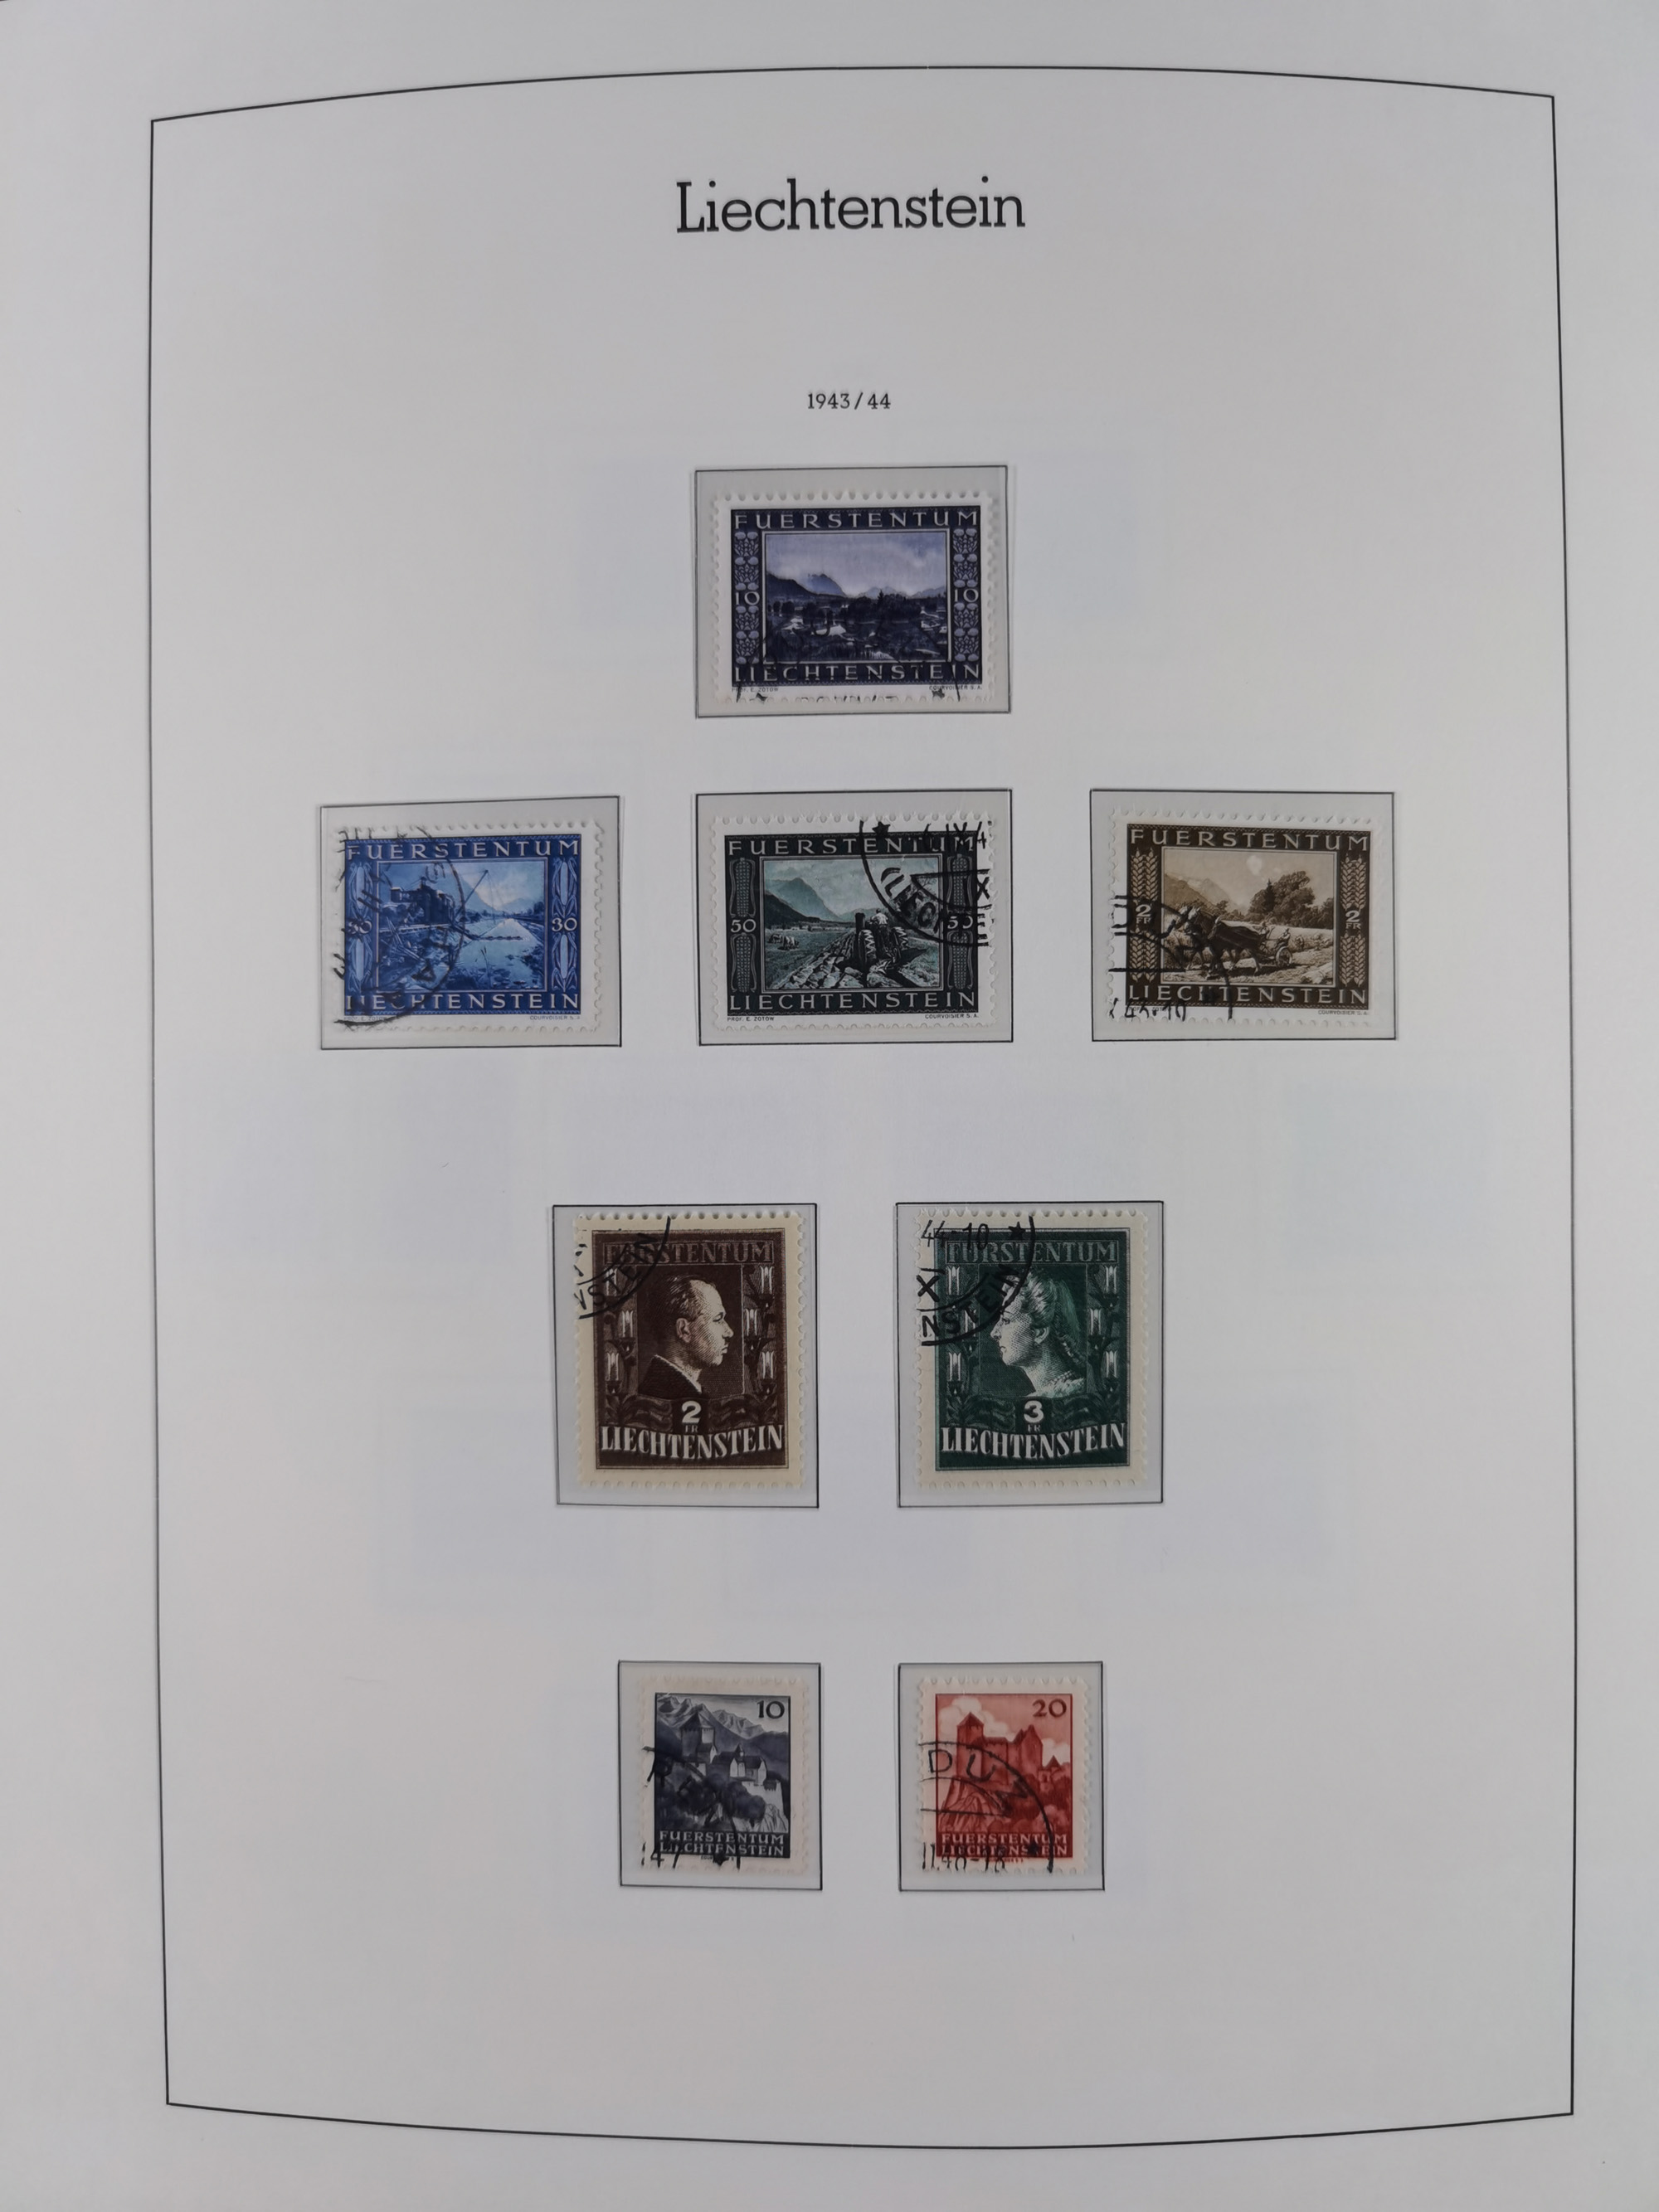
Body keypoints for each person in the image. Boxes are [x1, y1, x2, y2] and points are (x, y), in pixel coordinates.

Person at [988, 1271, 1086, 1399]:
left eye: (1006, 1320)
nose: (994, 1333)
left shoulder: (1076, 1396)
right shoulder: (1046, 1396)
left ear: (1040, 1333)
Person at [639, 1277, 734, 1409]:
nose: (729, 1332)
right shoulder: (663, 1393)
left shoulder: (665, 1388)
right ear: (684, 1329)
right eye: (718, 1319)